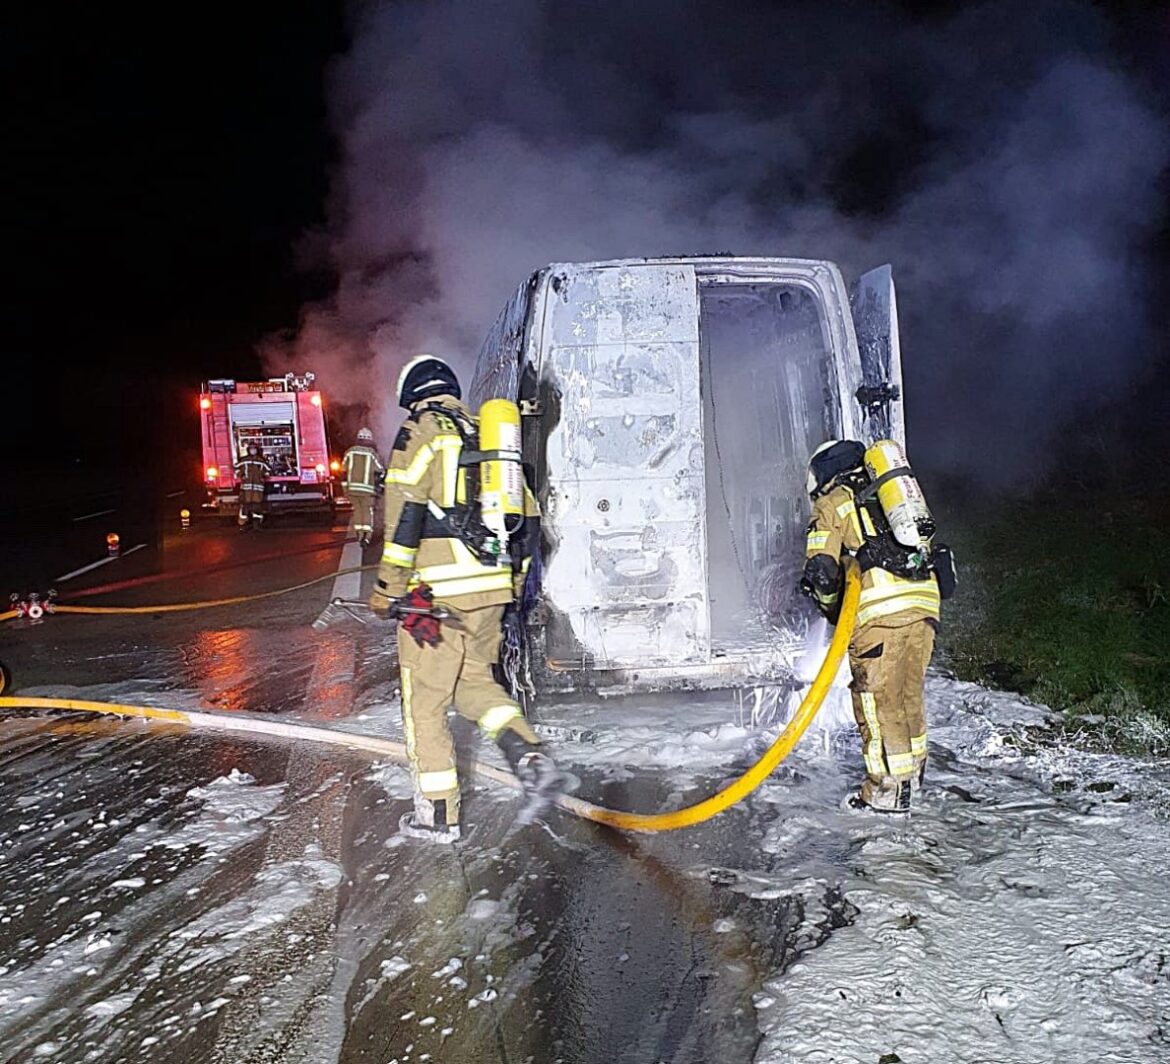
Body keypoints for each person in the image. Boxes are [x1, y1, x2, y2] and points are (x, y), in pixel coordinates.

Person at [369, 354, 560, 842]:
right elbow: (530, 520)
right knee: (475, 681)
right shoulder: (491, 436)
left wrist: (389, 589)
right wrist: (511, 587)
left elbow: (404, 517)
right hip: (491, 592)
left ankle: (436, 815)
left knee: (426, 703)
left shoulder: (422, 432)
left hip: (434, 600)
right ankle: (528, 752)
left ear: (413, 396)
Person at [800, 439, 941, 813]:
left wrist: (833, 612)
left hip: (881, 614)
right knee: (908, 695)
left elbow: (822, 571)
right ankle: (913, 779)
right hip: (926, 608)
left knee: (877, 703)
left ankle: (885, 792)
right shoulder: (883, 497)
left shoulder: (834, 503)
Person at [342, 427, 385, 547]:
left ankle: (359, 535)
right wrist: (380, 485)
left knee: (357, 511)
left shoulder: (349, 452)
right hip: (367, 490)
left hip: (353, 490)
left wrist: (345, 489)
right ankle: (366, 538)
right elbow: (380, 470)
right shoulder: (371, 454)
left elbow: (343, 472)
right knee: (367, 512)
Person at [234, 443, 269, 531]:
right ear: (248, 450)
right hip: (247, 489)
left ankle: (256, 526)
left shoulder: (261, 461)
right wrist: (241, 476)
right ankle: (243, 525)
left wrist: (263, 477)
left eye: (255, 449)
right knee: (246, 507)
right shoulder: (244, 460)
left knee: (257, 507)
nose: (253, 451)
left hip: (258, 489)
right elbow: (236, 468)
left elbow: (268, 470)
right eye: (251, 449)